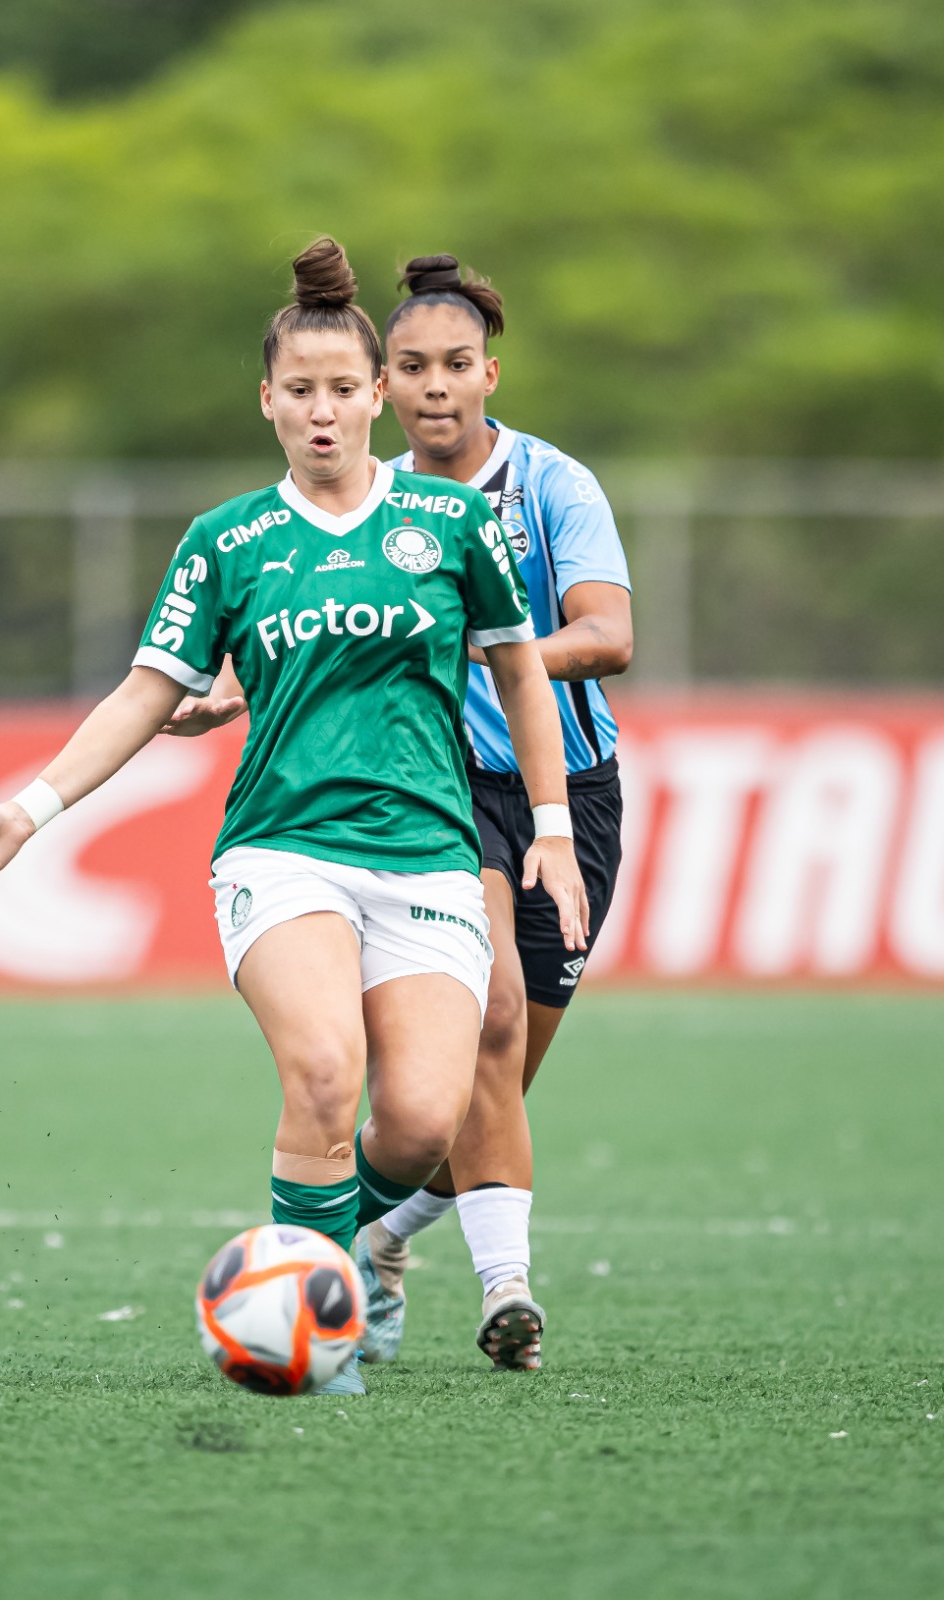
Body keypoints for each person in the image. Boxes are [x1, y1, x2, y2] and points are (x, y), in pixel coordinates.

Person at [0, 237, 588, 1397]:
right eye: (300, 392)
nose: (322, 412)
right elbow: (147, 693)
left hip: (427, 851)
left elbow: (525, 676)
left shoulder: (451, 524)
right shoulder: (225, 541)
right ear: (267, 401)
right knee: (325, 1075)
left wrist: (547, 825)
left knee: (423, 1122)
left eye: (343, 390)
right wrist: (27, 811)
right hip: (282, 850)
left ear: (375, 399)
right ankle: (305, 1324)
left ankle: (317, 1266)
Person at [353, 254, 633, 1372]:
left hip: (572, 789)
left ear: (488, 373)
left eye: (454, 365)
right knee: (492, 1019)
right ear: (381, 383)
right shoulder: (364, 502)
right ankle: (505, 1292)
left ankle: (377, 1233)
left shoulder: (553, 484)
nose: (433, 386)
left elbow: (606, 635)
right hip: (438, 790)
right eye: (410, 367)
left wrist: (486, 645)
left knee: (489, 1089)